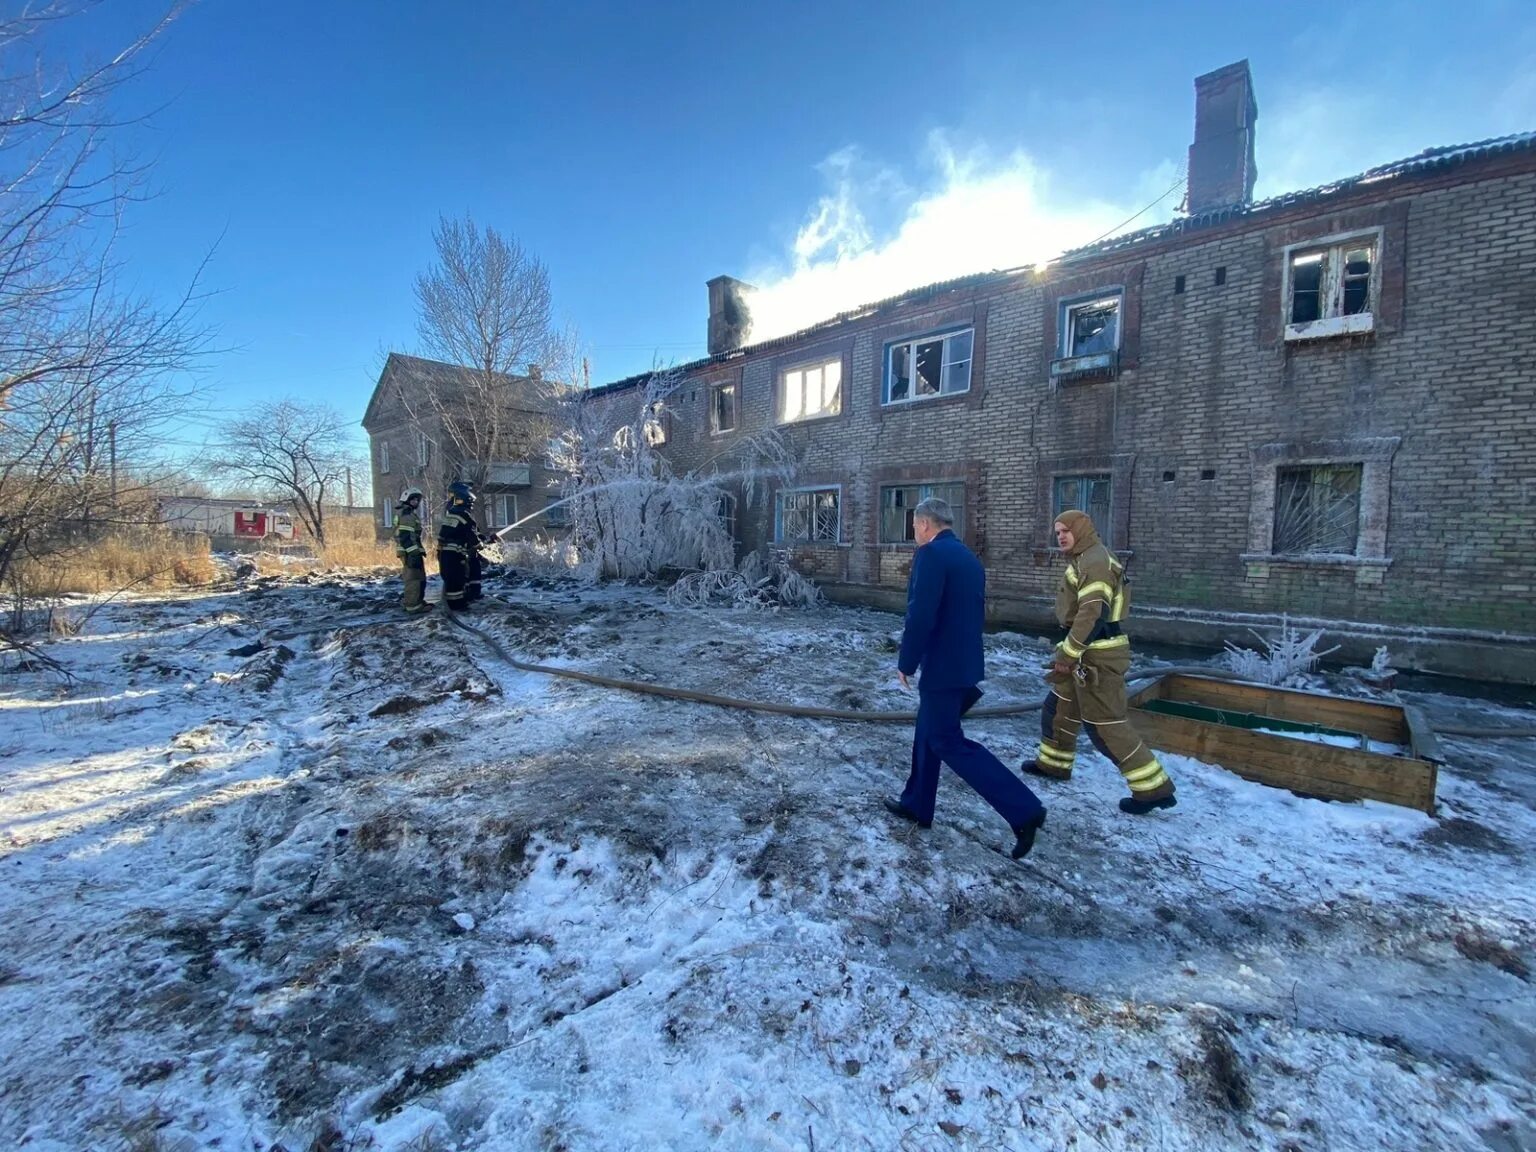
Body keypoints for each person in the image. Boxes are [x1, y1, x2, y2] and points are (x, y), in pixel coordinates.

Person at [884, 497, 1047, 860]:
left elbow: (921, 615)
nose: (913, 533)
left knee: (946, 741)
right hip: (963, 663)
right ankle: (917, 803)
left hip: (943, 668)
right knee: (928, 734)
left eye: (914, 526)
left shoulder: (931, 555)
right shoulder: (968, 557)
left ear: (925, 524)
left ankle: (1024, 809)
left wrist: (906, 662)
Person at [1022, 509, 1176, 815]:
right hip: (1083, 649)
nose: (1062, 536)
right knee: (1059, 708)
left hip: (1097, 653)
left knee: (1104, 725)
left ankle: (1153, 789)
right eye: (1058, 532)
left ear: (1083, 530)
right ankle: (1054, 765)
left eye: (1067, 530)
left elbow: (1093, 614)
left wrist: (1068, 654)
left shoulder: (1095, 561)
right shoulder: (1085, 558)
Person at [437, 481, 478, 611]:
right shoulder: (464, 516)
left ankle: (452, 603)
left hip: (444, 554)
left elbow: (452, 534)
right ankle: (457, 606)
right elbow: (472, 537)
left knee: (450, 580)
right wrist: (480, 544)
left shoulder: (451, 516)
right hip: (455, 556)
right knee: (457, 579)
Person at [394, 487, 428, 614]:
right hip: (409, 553)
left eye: (417, 500)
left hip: (411, 551)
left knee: (419, 577)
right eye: (413, 499)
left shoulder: (408, 513)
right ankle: (413, 606)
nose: (416, 502)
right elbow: (406, 537)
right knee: (414, 579)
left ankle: (417, 601)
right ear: (406, 500)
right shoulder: (406, 514)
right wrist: (413, 553)